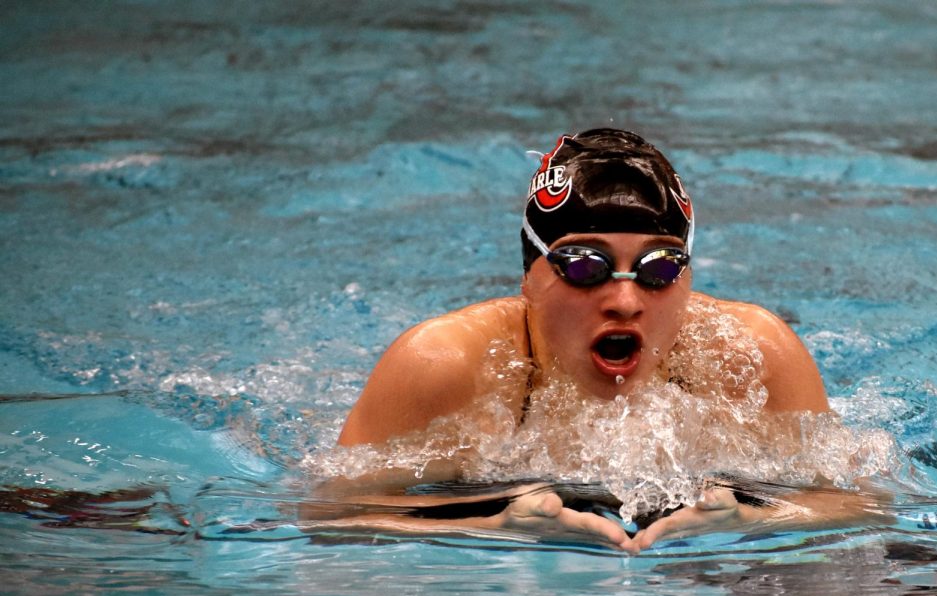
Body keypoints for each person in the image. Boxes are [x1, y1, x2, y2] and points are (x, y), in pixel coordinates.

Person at [319, 128, 876, 553]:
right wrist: (488, 528)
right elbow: (327, 516)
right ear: (529, 278)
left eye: (659, 269)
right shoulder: (443, 367)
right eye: (586, 267)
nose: (625, 301)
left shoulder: (750, 354)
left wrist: (754, 523)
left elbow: (862, 506)